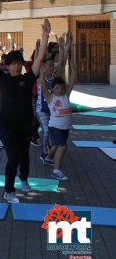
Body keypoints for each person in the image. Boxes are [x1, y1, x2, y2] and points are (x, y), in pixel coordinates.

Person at [0, 19, 50, 204]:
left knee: (25, 156)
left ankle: (24, 179)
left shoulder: (28, 79)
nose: (16, 66)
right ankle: (8, 190)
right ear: (7, 65)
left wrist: (45, 37)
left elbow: (39, 58)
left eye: (18, 63)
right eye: (12, 63)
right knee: (14, 156)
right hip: (6, 125)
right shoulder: (2, 78)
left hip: (25, 125)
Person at [40, 45, 76, 181]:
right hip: (55, 128)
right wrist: (42, 75)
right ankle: (56, 170)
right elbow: (43, 87)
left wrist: (74, 69)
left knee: (56, 145)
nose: (60, 90)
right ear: (53, 89)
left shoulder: (66, 95)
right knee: (62, 146)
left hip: (65, 128)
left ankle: (48, 158)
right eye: (57, 88)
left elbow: (72, 81)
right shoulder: (50, 98)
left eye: (61, 87)